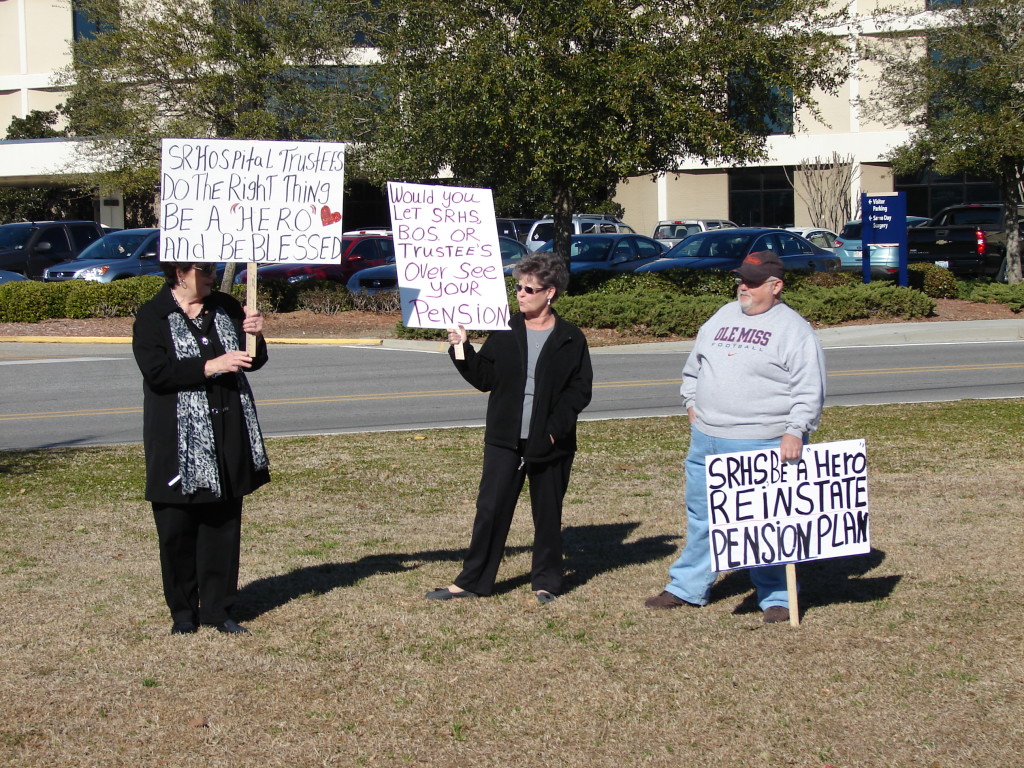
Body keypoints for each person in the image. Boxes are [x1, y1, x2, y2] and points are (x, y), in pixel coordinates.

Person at [645, 251, 826, 623]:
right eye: (742, 279)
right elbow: (693, 367)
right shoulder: (722, 315)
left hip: (762, 441)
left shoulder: (794, 329)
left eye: (754, 282)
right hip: (707, 438)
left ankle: (777, 597)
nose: (744, 286)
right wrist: (691, 402)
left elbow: (810, 388)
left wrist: (796, 431)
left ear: (776, 287)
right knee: (702, 515)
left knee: (766, 522)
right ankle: (687, 587)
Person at [426, 251, 593, 604]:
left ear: (550, 292)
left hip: (550, 441)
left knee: (547, 514)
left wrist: (553, 430)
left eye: (529, 289)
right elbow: (484, 378)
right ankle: (472, 580)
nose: (520, 294)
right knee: (490, 510)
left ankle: (547, 581)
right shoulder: (505, 331)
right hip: (504, 439)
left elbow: (579, 391)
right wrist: (461, 347)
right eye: (518, 287)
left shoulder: (570, 338)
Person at [133, 261, 270, 635]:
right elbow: (158, 374)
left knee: (221, 525)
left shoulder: (225, 306)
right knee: (176, 530)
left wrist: (255, 336)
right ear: (180, 273)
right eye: (204, 269)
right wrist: (211, 366)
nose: (212, 275)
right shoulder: (152, 316)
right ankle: (182, 612)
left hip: (227, 431)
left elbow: (252, 361)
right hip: (178, 441)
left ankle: (218, 609)